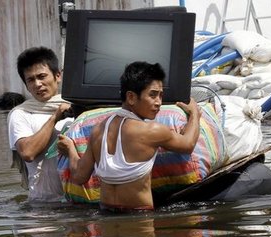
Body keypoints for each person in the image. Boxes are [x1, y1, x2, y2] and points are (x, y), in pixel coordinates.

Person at [57, 61, 201, 211]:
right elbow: (188, 144)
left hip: (107, 223)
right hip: (139, 222)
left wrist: (70, 149)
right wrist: (195, 114)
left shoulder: (98, 130)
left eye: (160, 95)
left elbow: (79, 176)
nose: (159, 102)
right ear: (131, 97)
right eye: (153, 95)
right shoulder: (152, 131)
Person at [7, 46, 74, 202]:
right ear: (26, 85)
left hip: (79, 202)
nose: (37, 84)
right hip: (43, 204)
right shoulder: (21, 114)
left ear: (58, 76)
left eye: (42, 76)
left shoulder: (76, 108)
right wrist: (54, 117)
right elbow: (28, 152)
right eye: (30, 79)